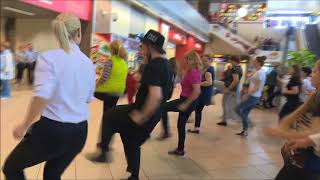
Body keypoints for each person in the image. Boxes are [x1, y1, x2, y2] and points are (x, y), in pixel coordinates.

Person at [2, 13, 95, 179]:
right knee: (52, 173)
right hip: (80, 133)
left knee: (11, 167)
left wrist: (24, 126)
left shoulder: (48, 58)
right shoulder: (88, 63)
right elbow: (88, 98)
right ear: (79, 32)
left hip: (53, 131)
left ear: (57, 33)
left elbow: (41, 97)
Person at [87, 30, 174, 180]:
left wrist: (142, 115)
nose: (141, 48)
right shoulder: (166, 65)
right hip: (155, 115)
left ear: (149, 46)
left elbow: (156, 95)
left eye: (143, 45)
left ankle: (103, 152)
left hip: (142, 112)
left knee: (110, 115)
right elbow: (165, 93)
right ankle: (133, 175)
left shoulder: (154, 65)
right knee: (130, 139)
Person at [266, 61, 320, 180]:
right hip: (305, 156)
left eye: (315, 71)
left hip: (311, 162)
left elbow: (314, 133)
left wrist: (283, 133)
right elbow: (299, 113)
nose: (312, 74)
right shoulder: (316, 94)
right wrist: (286, 131)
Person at [158, 50, 201, 157]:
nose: (184, 61)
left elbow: (197, 91)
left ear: (192, 60)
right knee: (180, 125)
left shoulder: (193, 73)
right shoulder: (191, 71)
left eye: (186, 59)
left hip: (186, 101)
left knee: (163, 107)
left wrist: (186, 104)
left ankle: (166, 133)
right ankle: (180, 149)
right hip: (185, 99)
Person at [94, 40, 128, 148]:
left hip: (107, 92)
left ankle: (104, 144)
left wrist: (95, 85)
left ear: (111, 50)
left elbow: (104, 78)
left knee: (106, 117)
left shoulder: (110, 61)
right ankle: (106, 143)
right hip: (117, 93)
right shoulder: (124, 62)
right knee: (110, 116)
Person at [236, 56, 266, 137]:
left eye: (255, 61)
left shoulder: (261, 72)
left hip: (253, 96)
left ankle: (248, 124)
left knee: (238, 109)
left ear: (259, 63)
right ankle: (245, 130)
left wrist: (247, 95)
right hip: (252, 95)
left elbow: (257, 87)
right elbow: (251, 81)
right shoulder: (257, 71)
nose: (253, 62)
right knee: (244, 112)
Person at [188, 54, 214, 134]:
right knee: (198, 110)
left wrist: (198, 83)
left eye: (205, 61)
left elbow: (209, 82)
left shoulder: (209, 70)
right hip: (203, 93)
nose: (203, 62)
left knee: (197, 109)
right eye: (202, 60)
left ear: (210, 61)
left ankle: (196, 128)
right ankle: (196, 127)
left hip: (203, 94)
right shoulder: (208, 68)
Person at [217, 56, 243, 126]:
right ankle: (226, 118)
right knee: (230, 104)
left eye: (230, 60)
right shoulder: (239, 68)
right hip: (234, 89)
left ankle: (224, 120)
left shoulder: (235, 69)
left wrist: (228, 89)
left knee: (225, 103)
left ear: (233, 61)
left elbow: (235, 80)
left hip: (231, 89)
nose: (230, 62)